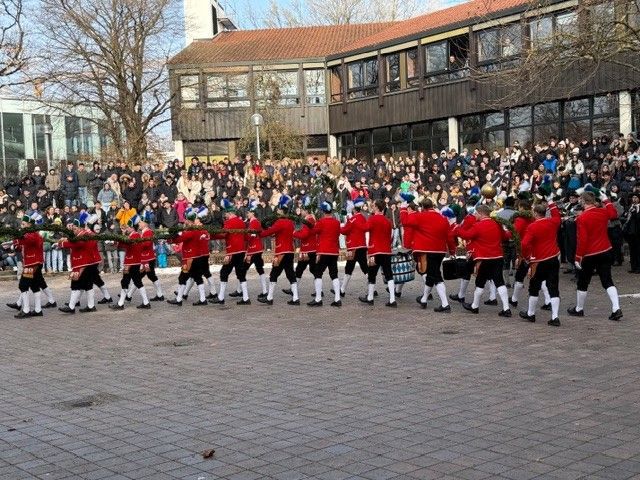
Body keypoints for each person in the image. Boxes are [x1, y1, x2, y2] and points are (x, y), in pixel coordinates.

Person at [568, 190, 623, 321]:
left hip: (590, 254)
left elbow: (582, 240)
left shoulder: (582, 218)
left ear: (583, 201)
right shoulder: (602, 212)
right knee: (607, 280)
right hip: (605, 250)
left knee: (583, 281)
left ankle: (579, 308)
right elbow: (614, 214)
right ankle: (616, 308)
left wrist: (578, 257)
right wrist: (606, 200)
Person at [456, 205, 512, 317]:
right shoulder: (497, 224)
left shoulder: (478, 226)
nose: (475, 215)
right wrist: (513, 231)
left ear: (481, 214)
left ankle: (475, 306)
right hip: (498, 257)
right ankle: (506, 308)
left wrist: (457, 228)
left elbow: (466, 235)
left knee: (480, 282)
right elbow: (505, 236)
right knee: (499, 281)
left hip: (484, 258)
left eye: (476, 213)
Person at [400, 197, 454, 312]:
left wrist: (403, 208)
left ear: (422, 207)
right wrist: (452, 251)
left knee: (436, 276)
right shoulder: (443, 218)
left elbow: (405, 222)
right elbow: (449, 236)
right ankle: (424, 299)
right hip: (440, 251)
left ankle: (445, 304)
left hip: (426, 250)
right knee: (431, 275)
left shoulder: (420, 216)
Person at [519, 199, 562, 326]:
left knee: (534, 287)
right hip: (553, 258)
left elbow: (524, 244)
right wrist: (551, 203)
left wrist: (526, 257)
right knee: (553, 287)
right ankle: (555, 316)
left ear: (535, 213)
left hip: (538, 261)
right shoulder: (553, 222)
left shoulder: (532, 226)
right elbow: (556, 215)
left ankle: (531, 313)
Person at [8, 213, 56, 318]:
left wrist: (17, 239)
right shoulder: (29, 234)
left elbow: (27, 241)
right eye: (22, 224)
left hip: (32, 264)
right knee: (35, 285)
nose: (22, 226)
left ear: (29, 224)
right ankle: (38, 310)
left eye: (24, 224)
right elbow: (23, 245)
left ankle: (26, 310)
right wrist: (16, 245)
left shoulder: (33, 234)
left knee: (23, 285)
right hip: (32, 263)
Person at [258, 196, 300, 306]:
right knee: (291, 274)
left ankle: (269, 298)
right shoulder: (290, 222)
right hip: (290, 251)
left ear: (281, 210)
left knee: (274, 274)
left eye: (278, 209)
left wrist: (259, 232)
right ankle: (295, 298)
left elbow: (269, 232)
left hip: (281, 251)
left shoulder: (280, 222)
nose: (277, 210)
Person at [210, 200, 250, 305]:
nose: (225, 215)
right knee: (241, 274)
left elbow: (224, 234)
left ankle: (221, 297)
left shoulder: (228, 222)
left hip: (232, 251)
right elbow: (246, 237)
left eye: (226, 213)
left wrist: (212, 235)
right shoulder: (242, 222)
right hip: (241, 251)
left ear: (230, 213)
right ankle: (246, 297)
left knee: (224, 272)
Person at [167, 207, 209, 306]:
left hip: (189, 258)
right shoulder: (197, 230)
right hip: (197, 257)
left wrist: (171, 237)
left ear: (189, 221)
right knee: (198, 278)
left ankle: (179, 299)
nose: (185, 222)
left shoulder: (190, 231)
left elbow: (180, 239)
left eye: (186, 220)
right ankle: (202, 299)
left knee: (182, 278)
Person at [360, 199, 396, 307]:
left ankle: (370, 297)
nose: (372, 206)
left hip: (374, 251)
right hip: (386, 251)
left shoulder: (372, 219)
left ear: (376, 207)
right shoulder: (388, 220)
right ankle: (392, 299)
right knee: (389, 275)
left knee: (372, 274)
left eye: (373, 205)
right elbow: (391, 237)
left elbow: (364, 228)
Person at [110, 215, 151, 310]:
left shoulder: (135, 235)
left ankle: (121, 304)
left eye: (128, 227)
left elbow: (126, 244)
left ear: (132, 227)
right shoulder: (133, 235)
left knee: (129, 281)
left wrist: (121, 237)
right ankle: (144, 302)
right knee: (132, 282)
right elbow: (123, 245)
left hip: (132, 262)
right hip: (132, 262)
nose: (127, 229)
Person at [308, 201, 342, 307]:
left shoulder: (321, 222)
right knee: (334, 275)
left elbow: (313, 231)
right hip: (334, 251)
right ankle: (337, 299)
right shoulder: (336, 222)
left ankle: (318, 299)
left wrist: (309, 224)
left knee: (318, 273)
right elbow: (338, 234)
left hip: (323, 251)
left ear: (323, 211)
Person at [338, 197, 368, 296]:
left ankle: (342, 290)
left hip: (353, 247)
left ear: (354, 209)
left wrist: (340, 226)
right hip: (362, 246)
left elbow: (344, 231)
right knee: (365, 268)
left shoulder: (352, 219)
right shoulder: (363, 217)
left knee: (349, 268)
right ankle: (372, 287)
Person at [286, 204, 317, 295]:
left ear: (305, 211)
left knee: (301, 269)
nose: (301, 212)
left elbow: (305, 234)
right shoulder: (310, 219)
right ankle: (318, 290)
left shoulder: (308, 220)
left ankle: (294, 289)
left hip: (308, 249)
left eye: (302, 210)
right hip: (310, 248)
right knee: (310, 269)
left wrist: (294, 233)